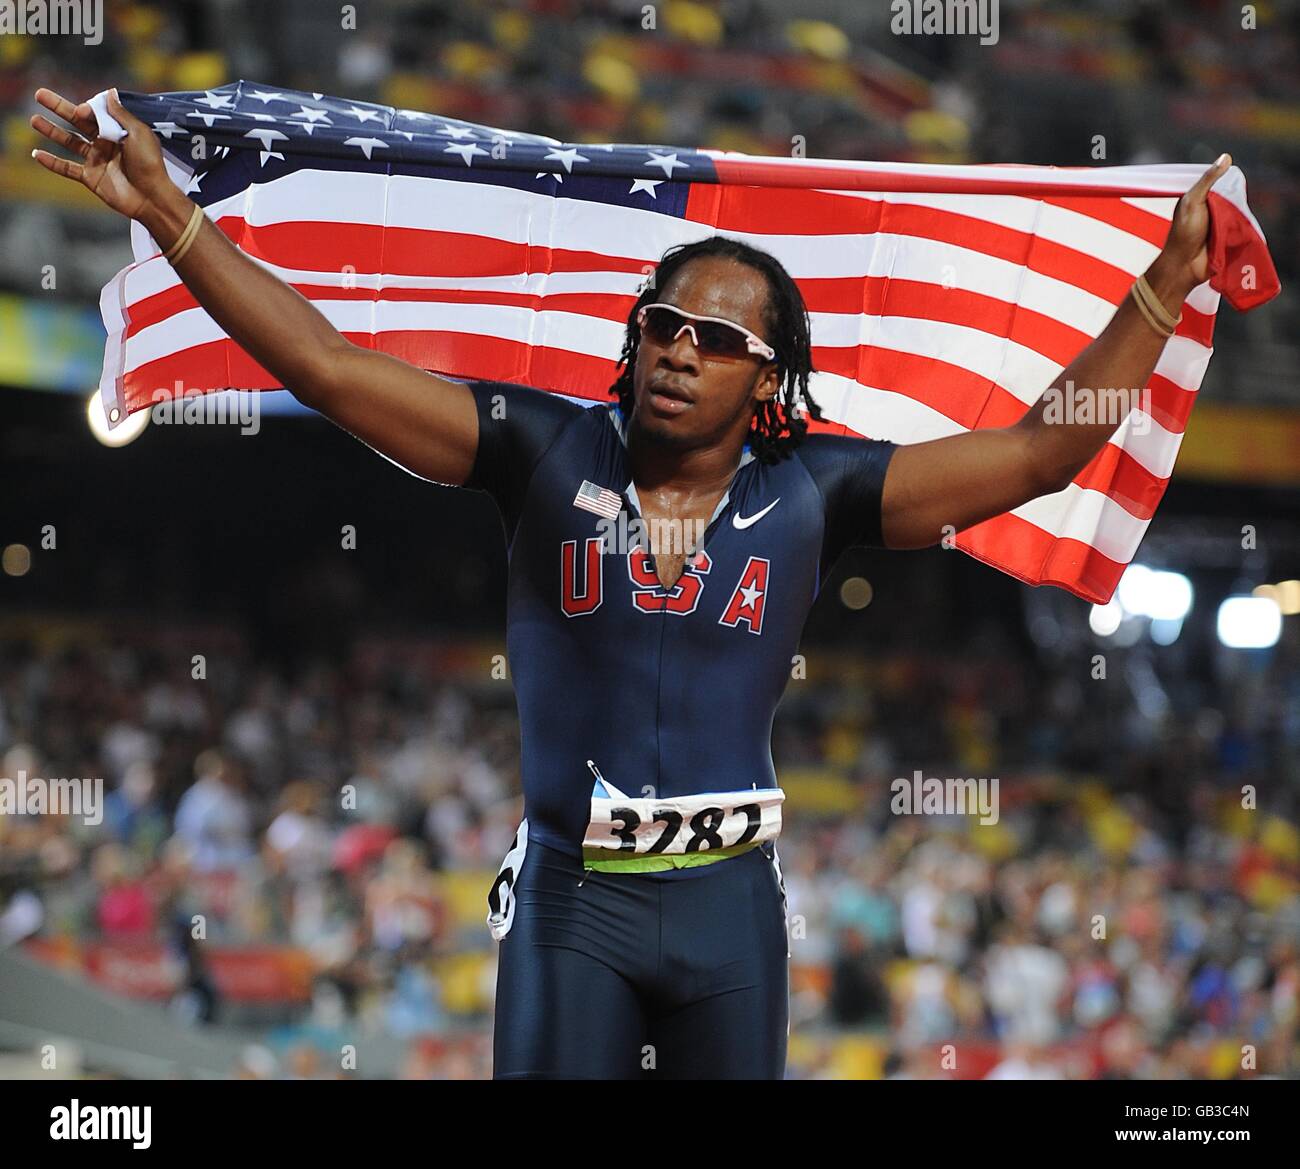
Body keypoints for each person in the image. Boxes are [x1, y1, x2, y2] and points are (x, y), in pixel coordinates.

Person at [30, 86, 1229, 1079]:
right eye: (662, 325)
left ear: (769, 383)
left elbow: (1033, 452)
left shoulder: (820, 488)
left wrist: (1162, 289)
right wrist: (176, 220)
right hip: (572, 904)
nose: (677, 351)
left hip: (730, 910)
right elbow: (330, 365)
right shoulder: (537, 449)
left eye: (716, 342)